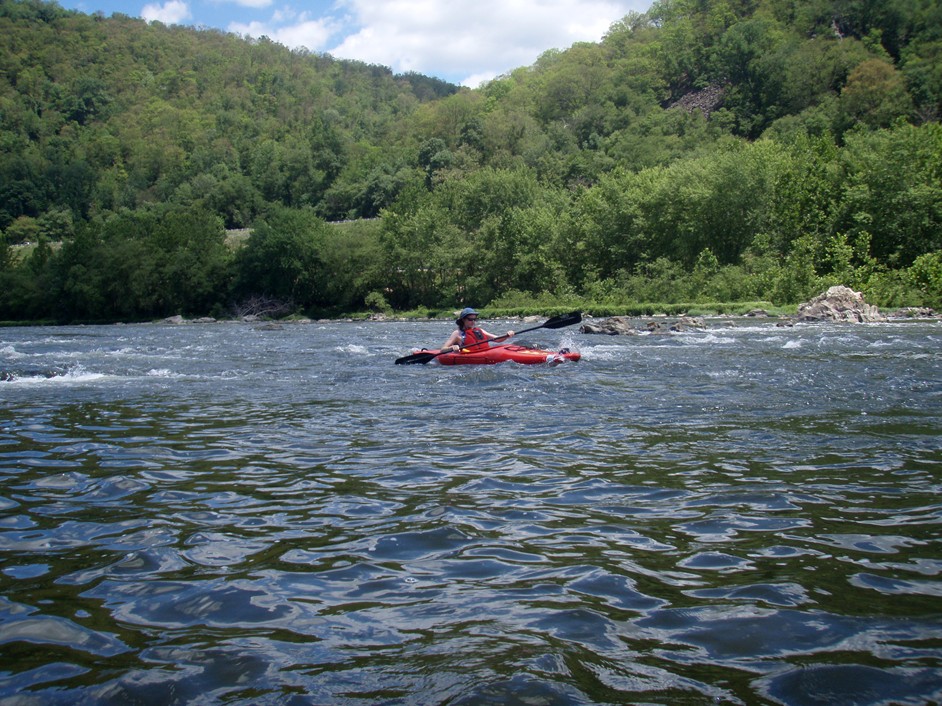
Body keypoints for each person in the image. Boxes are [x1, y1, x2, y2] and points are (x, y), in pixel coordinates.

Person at [442, 308, 514, 353]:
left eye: (474, 319)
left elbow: (497, 339)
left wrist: (507, 335)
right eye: (470, 319)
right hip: (468, 357)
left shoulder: (480, 330)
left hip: (484, 353)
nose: (473, 321)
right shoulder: (457, 333)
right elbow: (443, 349)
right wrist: (452, 348)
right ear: (463, 320)